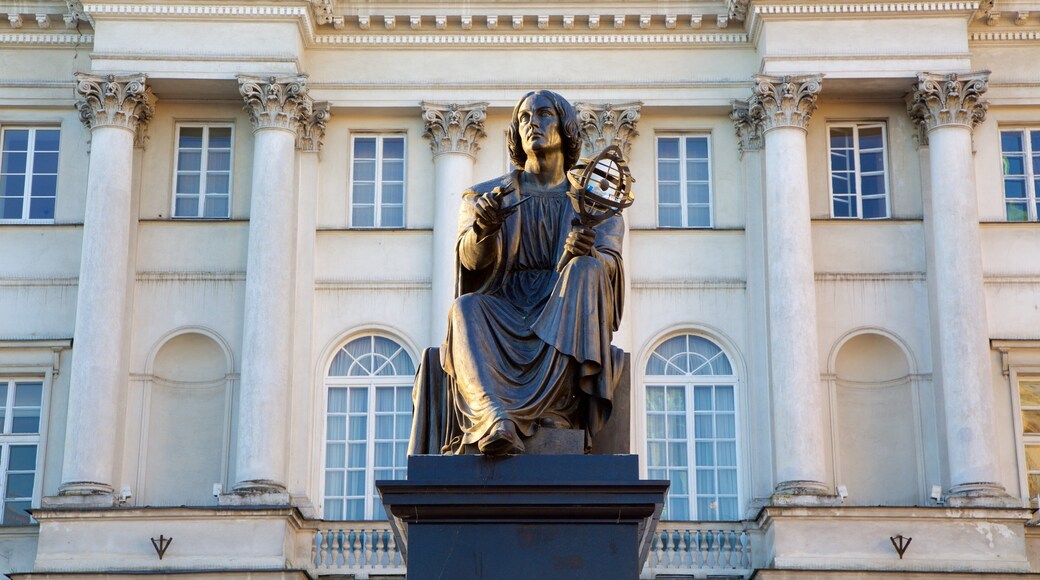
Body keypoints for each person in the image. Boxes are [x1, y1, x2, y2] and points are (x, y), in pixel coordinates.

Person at [409, 90, 626, 456]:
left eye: (543, 115)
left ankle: (557, 409)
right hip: (505, 305)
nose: (532, 125)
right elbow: (470, 263)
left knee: (586, 270)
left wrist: (587, 251)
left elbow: (609, 266)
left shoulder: (596, 204)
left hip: (563, 303)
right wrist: (484, 230)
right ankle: (495, 418)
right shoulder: (484, 196)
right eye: (524, 119)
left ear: (566, 129)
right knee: (464, 309)